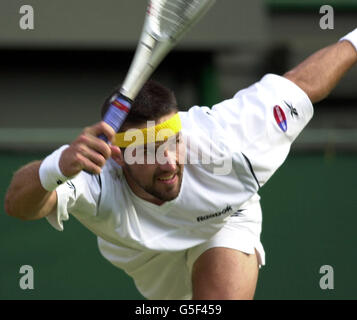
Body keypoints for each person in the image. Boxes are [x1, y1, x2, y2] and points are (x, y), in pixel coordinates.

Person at [4, 29, 357, 300]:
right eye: (152, 151)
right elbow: (18, 205)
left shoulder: (230, 140)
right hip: (146, 259)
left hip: (221, 220)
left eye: (174, 143)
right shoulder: (94, 175)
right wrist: (56, 167)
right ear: (120, 155)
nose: (170, 161)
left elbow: (301, 84)